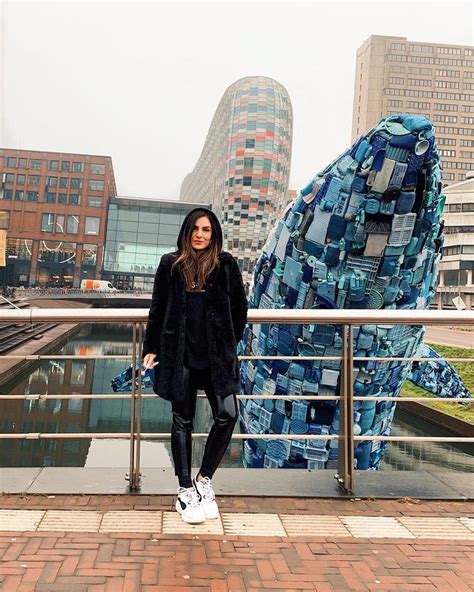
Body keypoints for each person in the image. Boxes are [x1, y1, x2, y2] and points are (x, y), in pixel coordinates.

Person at [142, 208, 248, 524]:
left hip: (216, 357)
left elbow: (240, 309)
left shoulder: (226, 264)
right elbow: (157, 308)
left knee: (228, 415)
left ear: (214, 234)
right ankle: (185, 489)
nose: (200, 235)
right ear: (186, 232)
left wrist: (228, 341)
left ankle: (204, 479)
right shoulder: (170, 264)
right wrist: (151, 348)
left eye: (206, 230)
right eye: (195, 229)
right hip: (180, 354)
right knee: (182, 420)